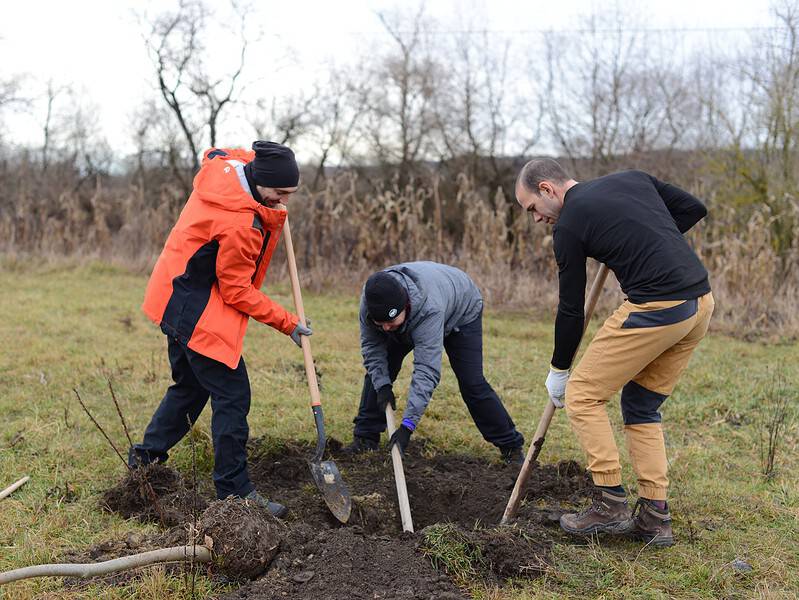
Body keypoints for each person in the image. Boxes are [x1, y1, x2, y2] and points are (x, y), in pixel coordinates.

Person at [515, 158, 714, 547]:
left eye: (533, 209)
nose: (536, 219)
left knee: (583, 394)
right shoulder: (632, 179)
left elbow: (570, 308)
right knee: (641, 404)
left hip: (657, 308)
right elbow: (694, 209)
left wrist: (559, 369)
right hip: (700, 304)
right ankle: (655, 516)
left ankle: (610, 503)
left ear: (546, 190)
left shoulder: (569, 226)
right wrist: (641, 239)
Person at [128, 141, 312, 518]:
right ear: (261, 182)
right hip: (195, 311)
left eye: (290, 194)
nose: (283, 202)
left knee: (190, 388)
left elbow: (218, 152)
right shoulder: (242, 225)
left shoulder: (225, 168)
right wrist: (288, 323)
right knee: (232, 395)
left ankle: (144, 460)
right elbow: (236, 290)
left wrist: (264, 172)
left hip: (171, 291)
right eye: (279, 194)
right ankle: (235, 490)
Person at [343, 261, 525, 464]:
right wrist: (383, 386)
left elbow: (426, 370)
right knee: (379, 370)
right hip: (419, 310)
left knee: (471, 382)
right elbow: (372, 350)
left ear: (405, 306)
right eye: (380, 323)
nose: (385, 328)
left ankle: (510, 446)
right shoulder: (371, 302)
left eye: (390, 322)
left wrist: (407, 426)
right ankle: (365, 437)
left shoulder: (429, 308)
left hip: (461, 311)